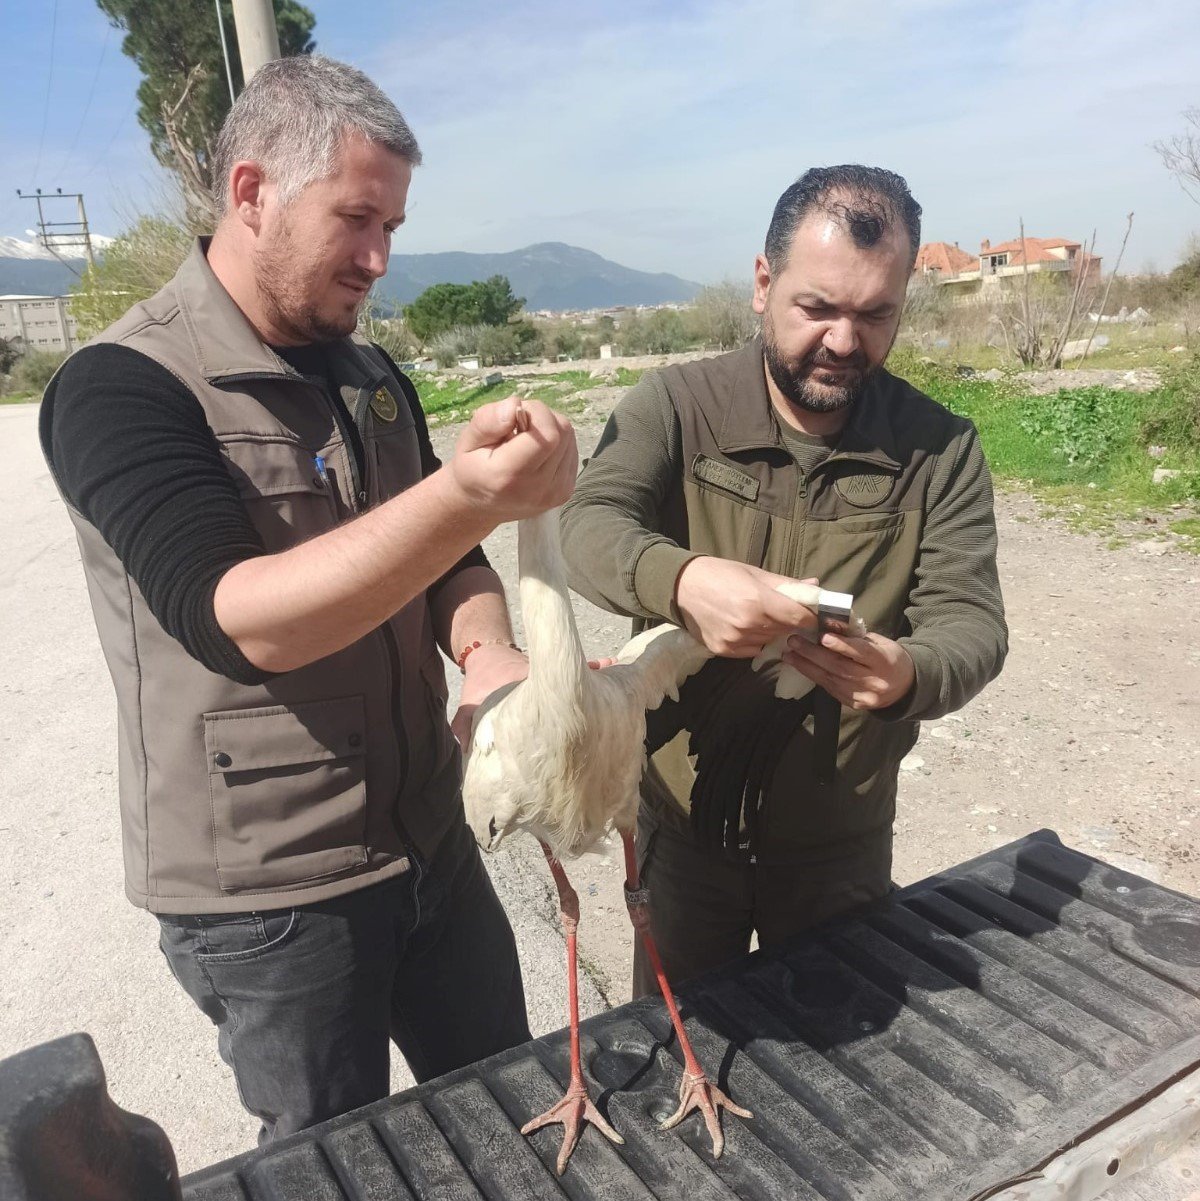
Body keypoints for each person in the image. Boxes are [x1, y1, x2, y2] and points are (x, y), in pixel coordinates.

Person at [39, 55, 577, 1142]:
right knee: (332, 1162)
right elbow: (244, 620)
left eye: (394, 225)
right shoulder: (120, 386)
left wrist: (488, 657)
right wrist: (469, 493)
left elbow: (448, 567)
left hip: (430, 838)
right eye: (357, 220)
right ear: (250, 193)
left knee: (511, 1108)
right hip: (270, 893)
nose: (380, 258)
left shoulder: (370, 376)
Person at [560, 165, 1007, 998]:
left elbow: (973, 623)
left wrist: (909, 673)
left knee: (835, 1076)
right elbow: (587, 526)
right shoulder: (677, 406)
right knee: (684, 1052)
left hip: (840, 848)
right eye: (818, 308)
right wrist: (683, 578)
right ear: (764, 284)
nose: (844, 340)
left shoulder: (940, 447)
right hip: (684, 843)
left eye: (876, 314)